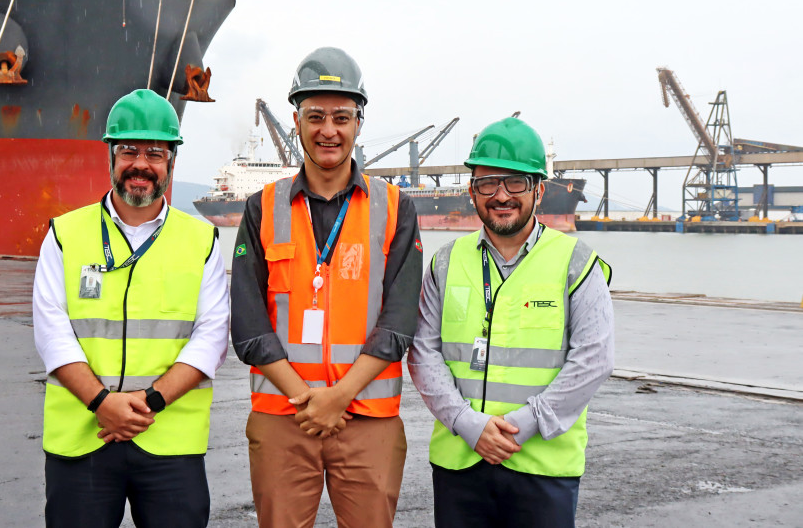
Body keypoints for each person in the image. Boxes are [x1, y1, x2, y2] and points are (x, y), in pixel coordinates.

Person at [230, 47, 423, 528]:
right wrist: (307, 398)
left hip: (367, 417)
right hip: (282, 414)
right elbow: (249, 323)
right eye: (315, 116)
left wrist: (338, 397)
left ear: (359, 122)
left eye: (342, 116)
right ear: (295, 121)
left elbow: (399, 319)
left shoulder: (396, 208)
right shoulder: (262, 208)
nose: (329, 130)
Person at [32, 88, 230, 528]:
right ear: (110, 156)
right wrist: (101, 402)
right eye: (129, 150)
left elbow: (212, 337)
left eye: (155, 153)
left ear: (171, 162)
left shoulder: (201, 241)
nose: (141, 164)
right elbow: (52, 331)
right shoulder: (65, 235)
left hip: (170, 441)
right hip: (82, 438)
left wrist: (149, 402)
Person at [407, 116, 615, 527]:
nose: (501, 195)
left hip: (542, 467)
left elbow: (594, 359)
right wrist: (468, 424)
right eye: (488, 183)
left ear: (539, 189)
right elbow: (422, 351)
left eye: (516, 182)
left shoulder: (576, 263)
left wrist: (524, 424)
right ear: (472, 191)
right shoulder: (446, 262)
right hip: (459, 464)